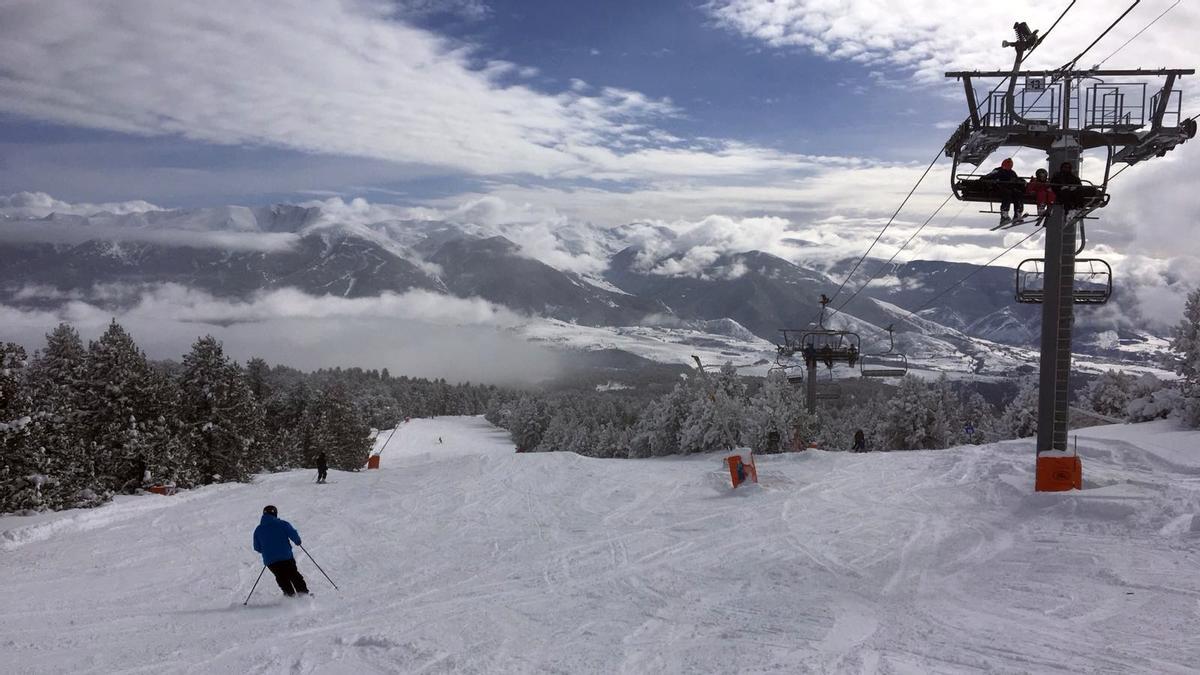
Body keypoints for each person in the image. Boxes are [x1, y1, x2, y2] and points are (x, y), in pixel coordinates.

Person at [253, 505, 309, 597]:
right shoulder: (282, 524)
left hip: (270, 561)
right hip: (285, 557)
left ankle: (290, 598)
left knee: (281, 578)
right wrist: (297, 541)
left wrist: (268, 551)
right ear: (275, 513)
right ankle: (304, 596)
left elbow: (257, 547)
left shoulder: (258, 530)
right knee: (293, 575)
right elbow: (293, 534)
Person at [982, 158, 1026, 224]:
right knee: (1007, 194)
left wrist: (1020, 182)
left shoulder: (1012, 173)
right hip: (999, 188)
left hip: (1010, 189)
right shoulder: (998, 171)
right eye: (1007, 164)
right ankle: (1004, 215)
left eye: (1009, 165)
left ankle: (1018, 214)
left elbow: (1016, 180)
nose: (1008, 166)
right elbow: (988, 176)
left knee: (1018, 194)